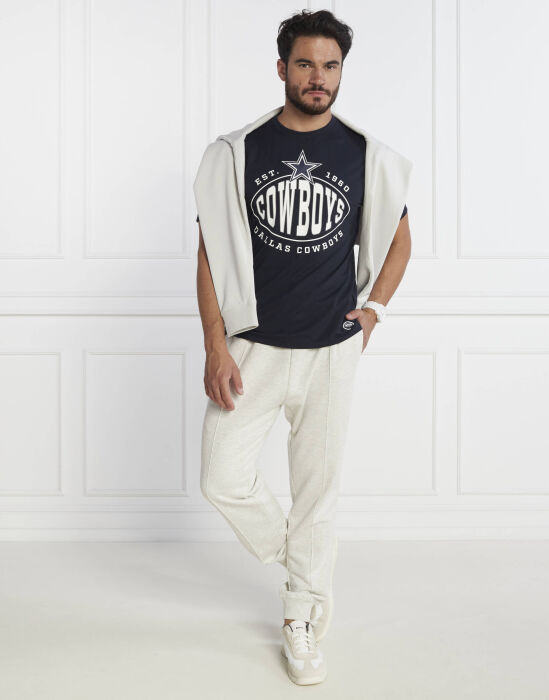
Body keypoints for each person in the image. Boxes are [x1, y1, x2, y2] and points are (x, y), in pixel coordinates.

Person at [193, 9, 412, 686]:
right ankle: (301, 560)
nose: (319, 77)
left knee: (318, 490)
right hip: (251, 350)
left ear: (342, 72)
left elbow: (399, 241)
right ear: (282, 68)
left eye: (331, 65)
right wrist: (215, 346)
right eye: (306, 64)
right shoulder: (239, 152)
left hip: (330, 351)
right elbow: (209, 253)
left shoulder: (365, 155)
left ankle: (302, 619)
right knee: (221, 476)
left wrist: (374, 311)